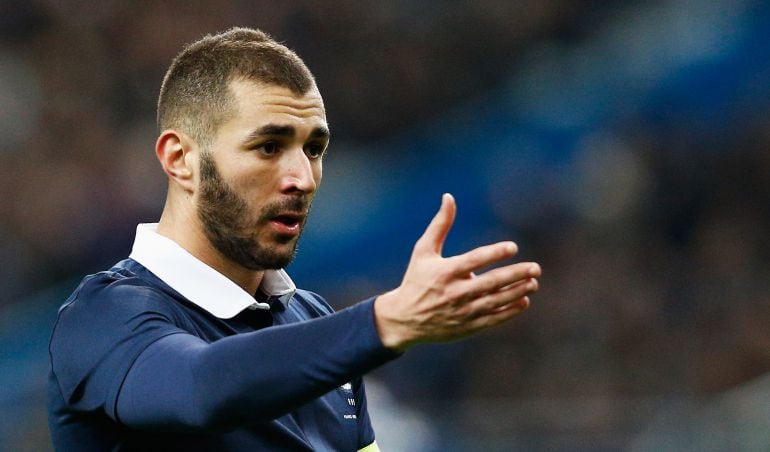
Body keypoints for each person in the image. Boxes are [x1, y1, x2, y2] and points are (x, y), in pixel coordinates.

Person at [47, 27, 541, 451]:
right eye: (269, 146)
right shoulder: (102, 318)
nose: (302, 177)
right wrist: (384, 322)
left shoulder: (314, 319)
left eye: (315, 148)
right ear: (181, 159)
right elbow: (200, 389)